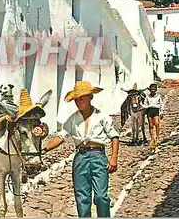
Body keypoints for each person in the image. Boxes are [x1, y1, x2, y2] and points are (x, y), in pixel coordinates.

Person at [41, 81, 120, 218]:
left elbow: (114, 136)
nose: (78, 102)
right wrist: (45, 149)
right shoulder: (72, 119)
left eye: (81, 99)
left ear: (90, 97)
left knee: (101, 196)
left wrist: (113, 158)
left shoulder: (101, 116)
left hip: (98, 156)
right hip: (81, 158)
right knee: (82, 197)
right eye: (76, 100)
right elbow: (61, 136)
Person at [143, 83, 165, 147]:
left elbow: (161, 104)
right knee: (151, 125)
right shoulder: (147, 96)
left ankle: (157, 138)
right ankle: (152, 138)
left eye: (154, 89)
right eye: (151, 89)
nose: (152, 90)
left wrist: (161, 112)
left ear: (156, 90)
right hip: (149, 111)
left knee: (157, 123)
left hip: (156, 110)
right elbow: (145, 104)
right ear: (150, 90)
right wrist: (144, 107)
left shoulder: (158, 96)